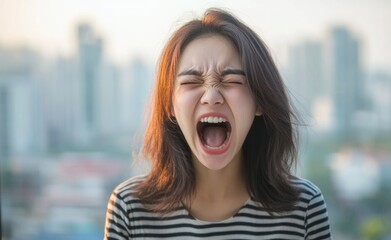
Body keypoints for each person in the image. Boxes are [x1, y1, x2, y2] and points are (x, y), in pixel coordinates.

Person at [104, 8, 331, 240]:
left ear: (259, 102)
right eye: (191, 82)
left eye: (231, 80)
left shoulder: (304, 207)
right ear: (170, 106)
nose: (211, 96)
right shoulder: (130, 208)